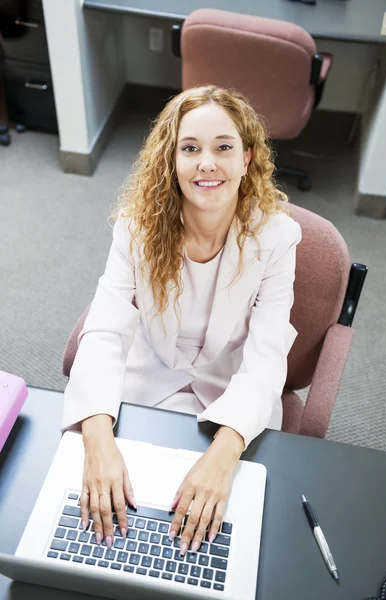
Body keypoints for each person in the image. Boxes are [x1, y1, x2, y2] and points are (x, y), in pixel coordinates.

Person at [62, 85, 301, 558]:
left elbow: (268, 353)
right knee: (107, 526)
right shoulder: (137, 227)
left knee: (226, 535)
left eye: (223, 147)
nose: (206, 163)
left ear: (247, 158)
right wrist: (96, 434)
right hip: (147, 389)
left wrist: (227, 450)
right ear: (171, 160)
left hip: (231, 402)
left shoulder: (278, 237)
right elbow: (105, 328)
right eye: (190, 148)